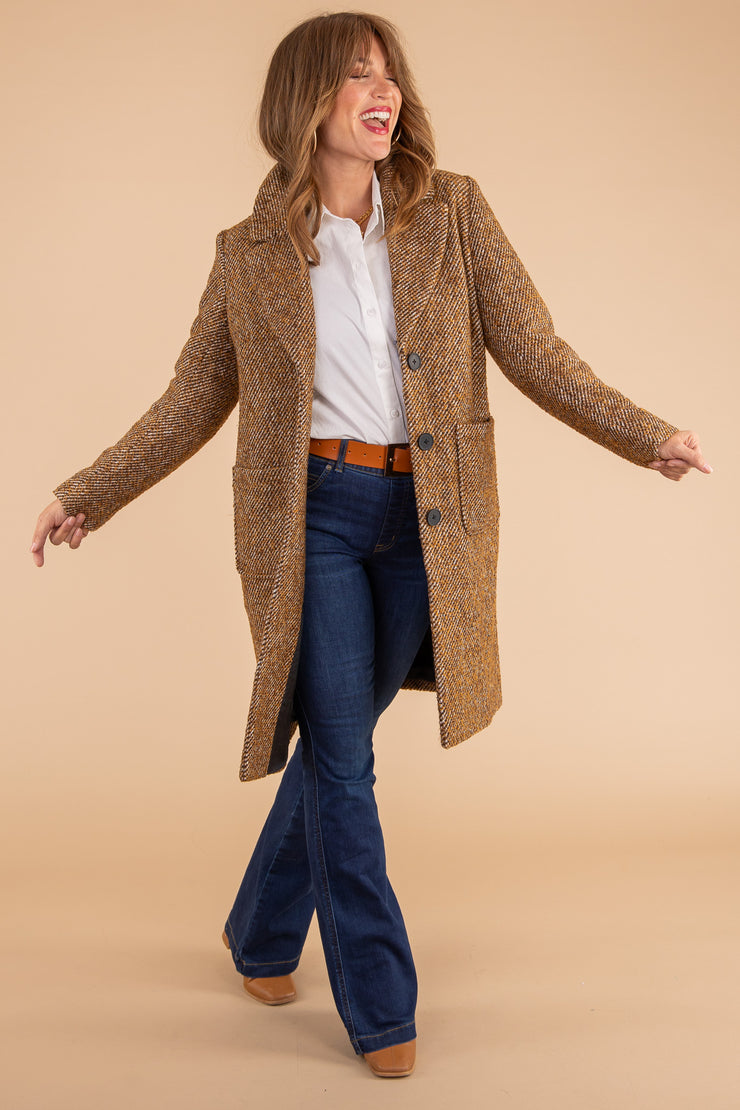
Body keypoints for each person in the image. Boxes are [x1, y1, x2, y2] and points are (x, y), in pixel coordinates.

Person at [30, 11, 711, 1080]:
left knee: (335, 747)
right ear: (307, 101)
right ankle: (383, 1009)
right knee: (347, 764)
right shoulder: (248, 254)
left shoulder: (454, 213)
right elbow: (191, 400)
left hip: (428, 520)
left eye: (388, 75)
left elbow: (534, 349)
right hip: (314, 519)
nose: (381, 92)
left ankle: (259, 933)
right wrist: (89, 493)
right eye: (357, 75)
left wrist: (643, 434)